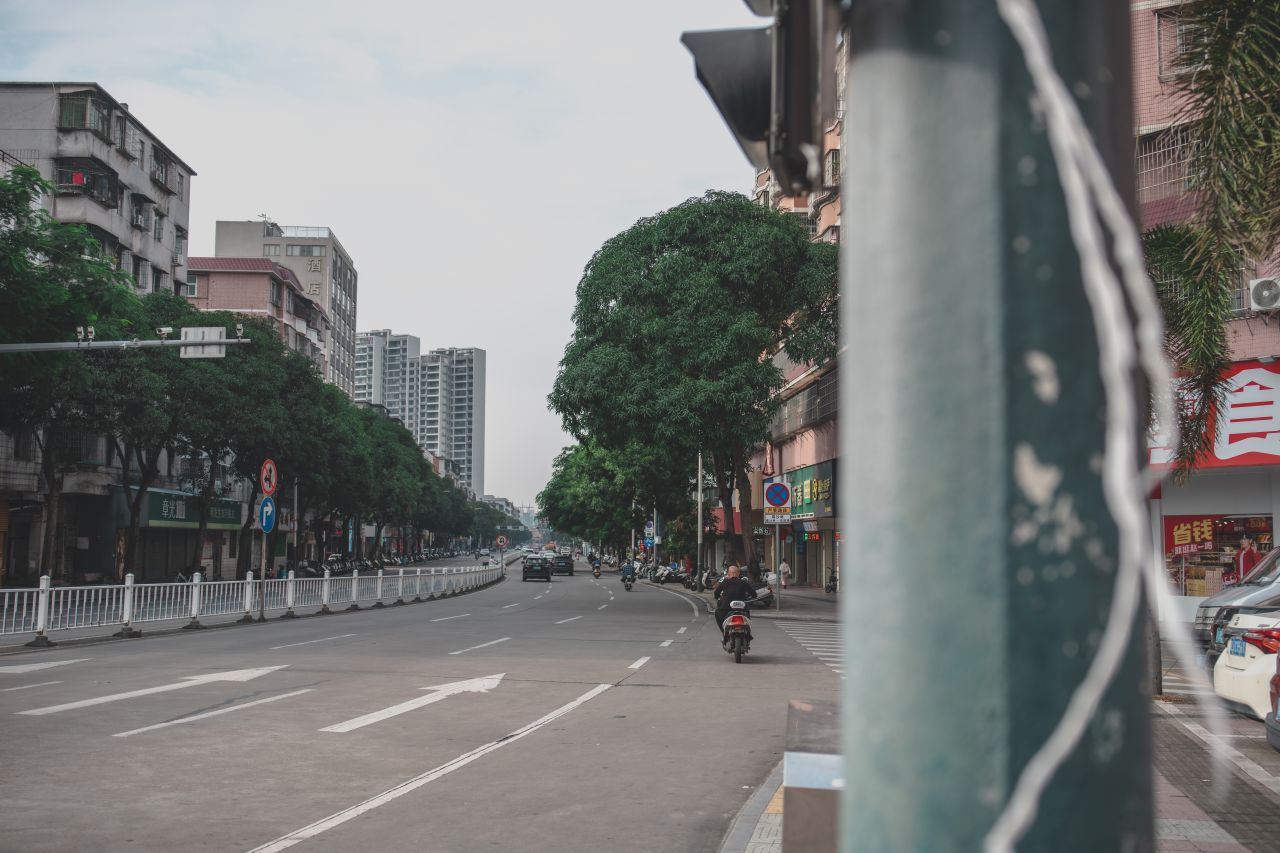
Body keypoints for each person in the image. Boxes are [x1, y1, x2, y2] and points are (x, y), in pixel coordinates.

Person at [714, 565, 757, 629]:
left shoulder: (725, 582)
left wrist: (718, 597)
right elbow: (754, 594)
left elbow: (716, 593)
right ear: (738, 573)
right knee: (747, 622)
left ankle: (724, 634)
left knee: (717, 613)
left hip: (726, 609)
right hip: (742, 610)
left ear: (728, 574)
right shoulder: (743, 582)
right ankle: (748, 634)